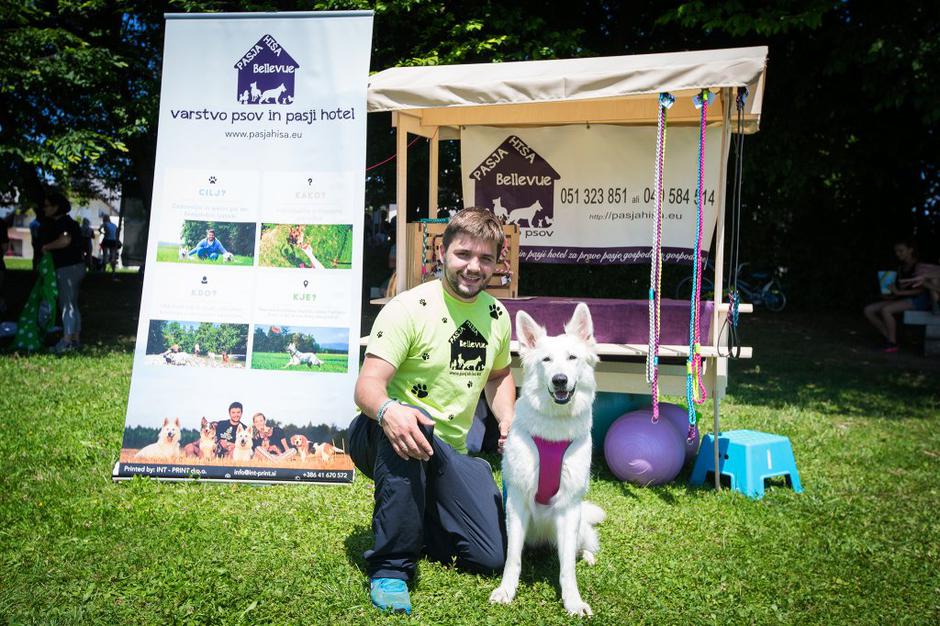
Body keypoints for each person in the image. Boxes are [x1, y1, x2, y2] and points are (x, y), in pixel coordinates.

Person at [348, 207, 515, 615]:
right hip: (384, 430)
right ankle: (391, 568)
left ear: (497, 262)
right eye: (463, 254)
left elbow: (498, 377)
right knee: (411, 427)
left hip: (451, 451)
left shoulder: (497, 316)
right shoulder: (407, 308)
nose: (474, 266)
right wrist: (389, 410)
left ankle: (415, 516)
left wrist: (509, 419)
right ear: (442, 250)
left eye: (485, 258)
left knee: (489, 557)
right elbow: (367, 386)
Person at [38, 188, 86, 354]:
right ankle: (75, 339)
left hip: (68, 268)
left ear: (56, 207)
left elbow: (65, 239)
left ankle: (66, 341)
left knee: (67, 305)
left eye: (47, 205)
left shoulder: (62, 223)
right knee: (72, 303)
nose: (44, 209)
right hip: (77, 267)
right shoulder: (69, 222)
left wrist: (46, 247)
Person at [863, 239, 929, 352]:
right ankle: (889, 338)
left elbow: (921, 290)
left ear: (910, 250)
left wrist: (898, 293)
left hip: (919, 300)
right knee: (869, 310)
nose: (898, 254)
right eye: (896, 251)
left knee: (886, 310)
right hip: (904, 299)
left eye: (901, 251)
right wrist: (891, 295)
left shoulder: (919, 266)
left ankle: (892, 344)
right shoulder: (900, 268)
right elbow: (900, 290)